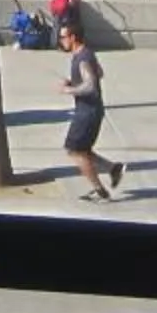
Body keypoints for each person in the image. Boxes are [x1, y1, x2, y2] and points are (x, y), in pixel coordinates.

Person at [59, 22, 123, 200]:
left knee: (74, 151)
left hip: (87, 113)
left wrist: (69, 90)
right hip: (90, 111)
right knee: (83, 150)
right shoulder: (86, 54)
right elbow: (99, 73)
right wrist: (74, 82)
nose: (61, 40)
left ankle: (100, 191)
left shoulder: (82, 58)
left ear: (73, 38)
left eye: (63, 37)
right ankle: (113, 168)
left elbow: (91, 86)